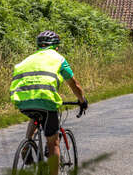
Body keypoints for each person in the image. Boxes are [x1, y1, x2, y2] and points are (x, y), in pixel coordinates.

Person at [10, 30, 88, 175]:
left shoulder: (28, 59)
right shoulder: (58, 59)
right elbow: (74, 84)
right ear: (56, 46)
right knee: (53, 143)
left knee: (36, 114)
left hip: (22, 100)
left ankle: (27, 144)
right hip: (46, 101)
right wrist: (82, 101)